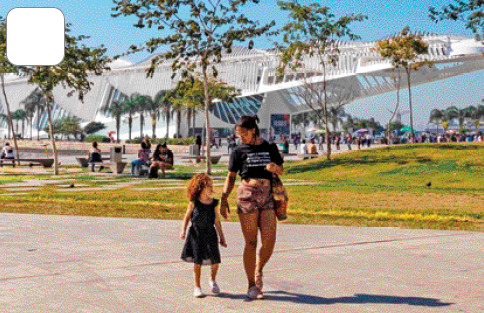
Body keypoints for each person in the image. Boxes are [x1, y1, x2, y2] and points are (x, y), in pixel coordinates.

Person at [220, 115, 284, 300]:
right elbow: (231, 176)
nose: (241, 137)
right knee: (251, 242)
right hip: (247, 195)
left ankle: (259, 269)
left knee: (269, 242)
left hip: (268, 195)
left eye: (244, 133)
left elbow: (281, 169)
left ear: (253, 130)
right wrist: (224, 198)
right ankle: (252, 285)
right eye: (239, 134)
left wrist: (274, 168)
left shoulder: (269, 147)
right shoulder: (238, 150)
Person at [181, 173, 227, 298]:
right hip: (196, 235)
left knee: (215, 260)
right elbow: (186, 218)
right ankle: (197, 287)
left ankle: (212, 280)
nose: (211, 188)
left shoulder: (214, 204)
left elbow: (217, 222)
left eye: (211, 185)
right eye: (208, 186)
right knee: (197, 261)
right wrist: (183, 231)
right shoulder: (193, 203)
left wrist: (222, 238)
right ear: (200, 187)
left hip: (210, 233)